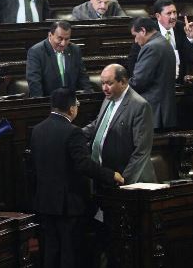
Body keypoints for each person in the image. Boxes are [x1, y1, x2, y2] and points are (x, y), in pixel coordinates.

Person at [30, 88, 124, 268]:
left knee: (51, 249)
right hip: (68, 205)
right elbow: (84, 165)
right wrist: (111, 174)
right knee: (69, 251)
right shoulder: (73, 132)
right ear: (72, 109)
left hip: (45, 202)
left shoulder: (37, 130)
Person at [83, 64, 156, 184]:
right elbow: (99, 123)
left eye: (109, 83)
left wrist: (124, 180)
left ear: (123, 82)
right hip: (107, 176)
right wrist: (75, 134)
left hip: (128, 180)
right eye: (102, 83)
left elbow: (141, 150)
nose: (104, 88)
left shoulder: (140, 106)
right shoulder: (109, 98)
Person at [128, 0, 193, 83]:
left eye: (174, 12)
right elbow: (133, 60)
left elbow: (191, 58)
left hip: (180, 82)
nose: (173, 16)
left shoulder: (183, 28)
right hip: (156, 83)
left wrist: (190, 38)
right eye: (169, 13)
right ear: (158, 16)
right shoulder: (149, 31)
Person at [129, 17, 177, 130]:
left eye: (135, 35)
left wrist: (120, 87)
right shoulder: (163, 42)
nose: (135, 40)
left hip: (155, 111)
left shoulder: (151, 47)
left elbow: (138, 81)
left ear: (143, 30)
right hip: (163, 110)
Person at [26, 20, 92, 97]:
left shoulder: (75, 49)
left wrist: (89, 96)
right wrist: (40, 104)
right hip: (48, 101)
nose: (63, 43)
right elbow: (34, 82)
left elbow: (83, 77)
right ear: (50, 35)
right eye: (60, 39)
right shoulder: (36, 52)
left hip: (71, 101)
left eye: (67, 39)